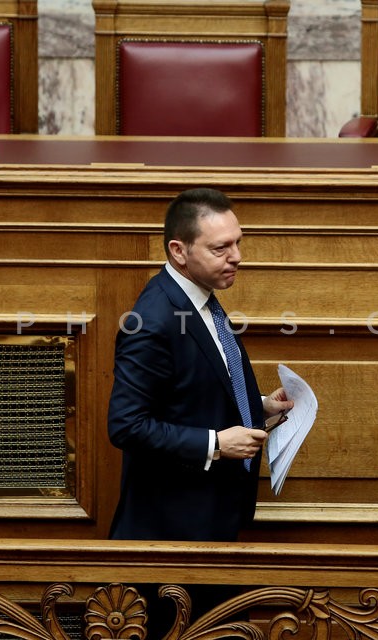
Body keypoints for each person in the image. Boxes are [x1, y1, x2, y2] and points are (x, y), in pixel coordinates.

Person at [107, 187, 294, 542]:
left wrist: (259, 406)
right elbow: (126, 426)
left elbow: (193, 391)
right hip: (171, 532)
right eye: (220, 248)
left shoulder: (200, 298)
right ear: (179, 251)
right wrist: (215, 443)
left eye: (238, 243)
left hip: (212, 518)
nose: (237, 257)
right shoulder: (152, 322)